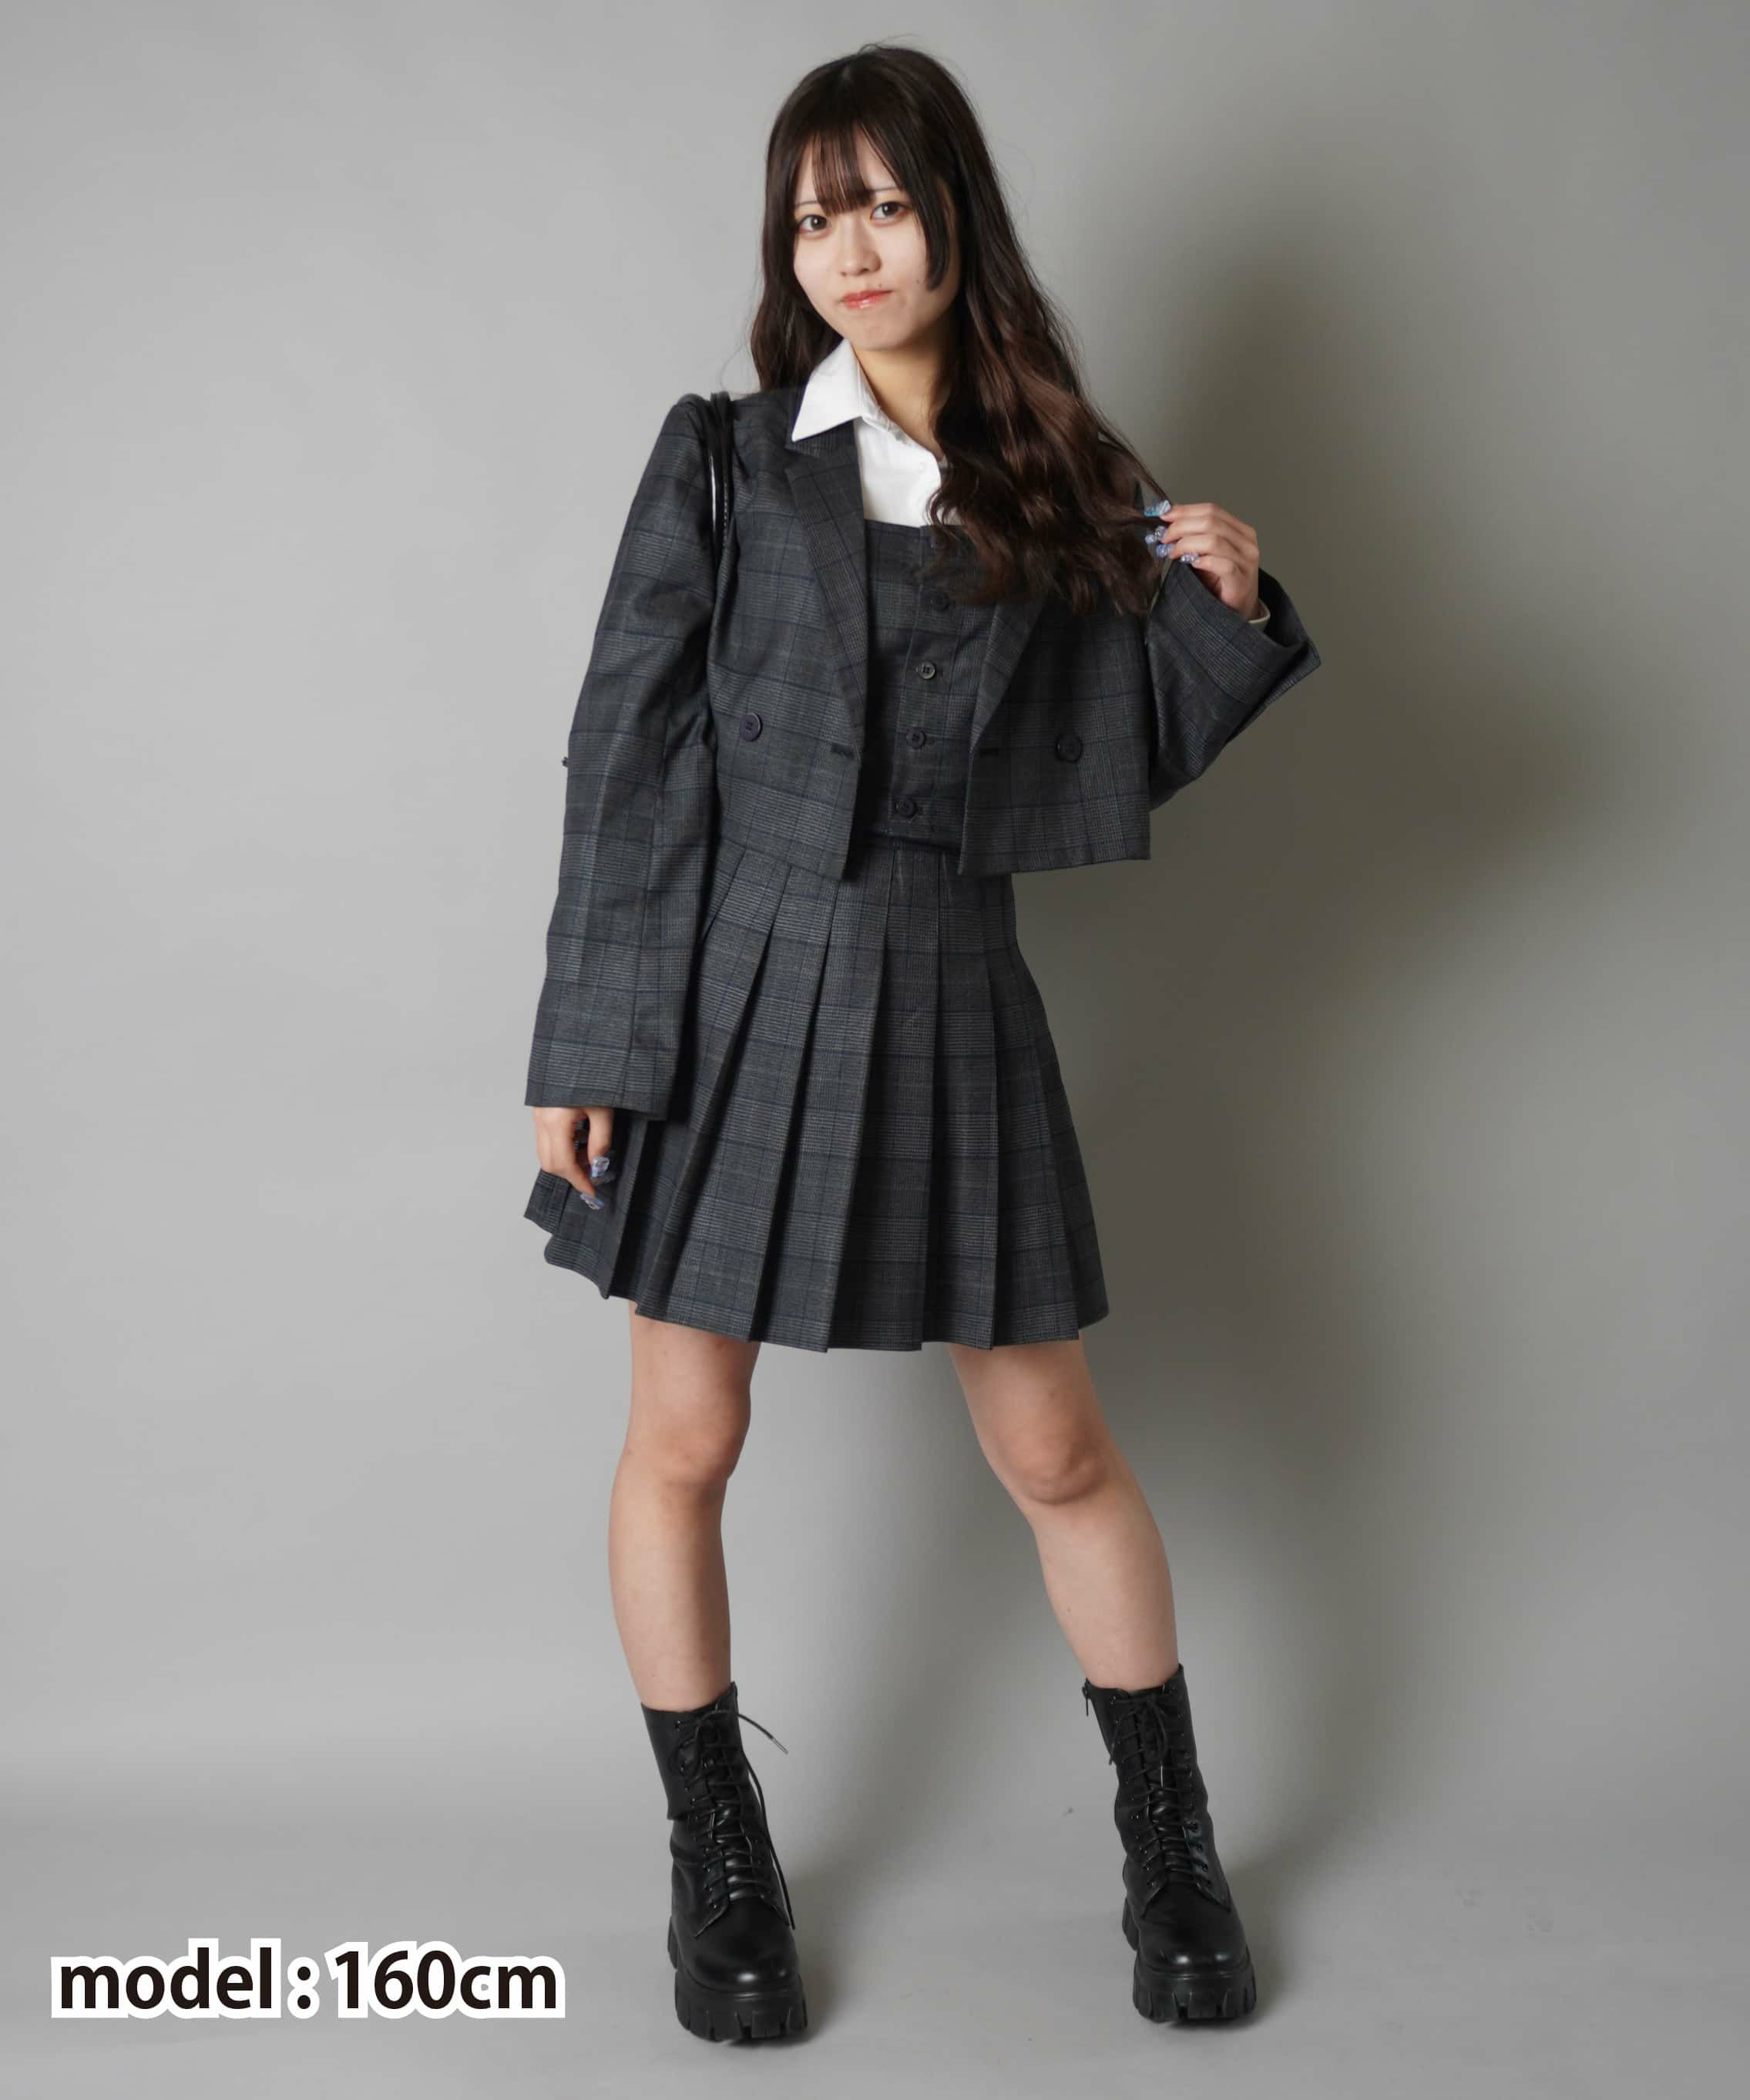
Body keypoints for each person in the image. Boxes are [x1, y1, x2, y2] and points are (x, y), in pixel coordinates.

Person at [522, 42, 1322, 2044]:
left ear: (953, 216)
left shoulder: (1063, 474)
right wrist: (589, 1040)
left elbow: (1117, 747)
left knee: (1055, 1447)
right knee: (686, 1439)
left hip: (954, 980)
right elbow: (626, 756)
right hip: (726, 983)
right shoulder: (724, 458)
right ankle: (720, 1863)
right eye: (816, 217)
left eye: (883, 202)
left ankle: (1172, 1850)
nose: (851, 248)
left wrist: (1229, 605)